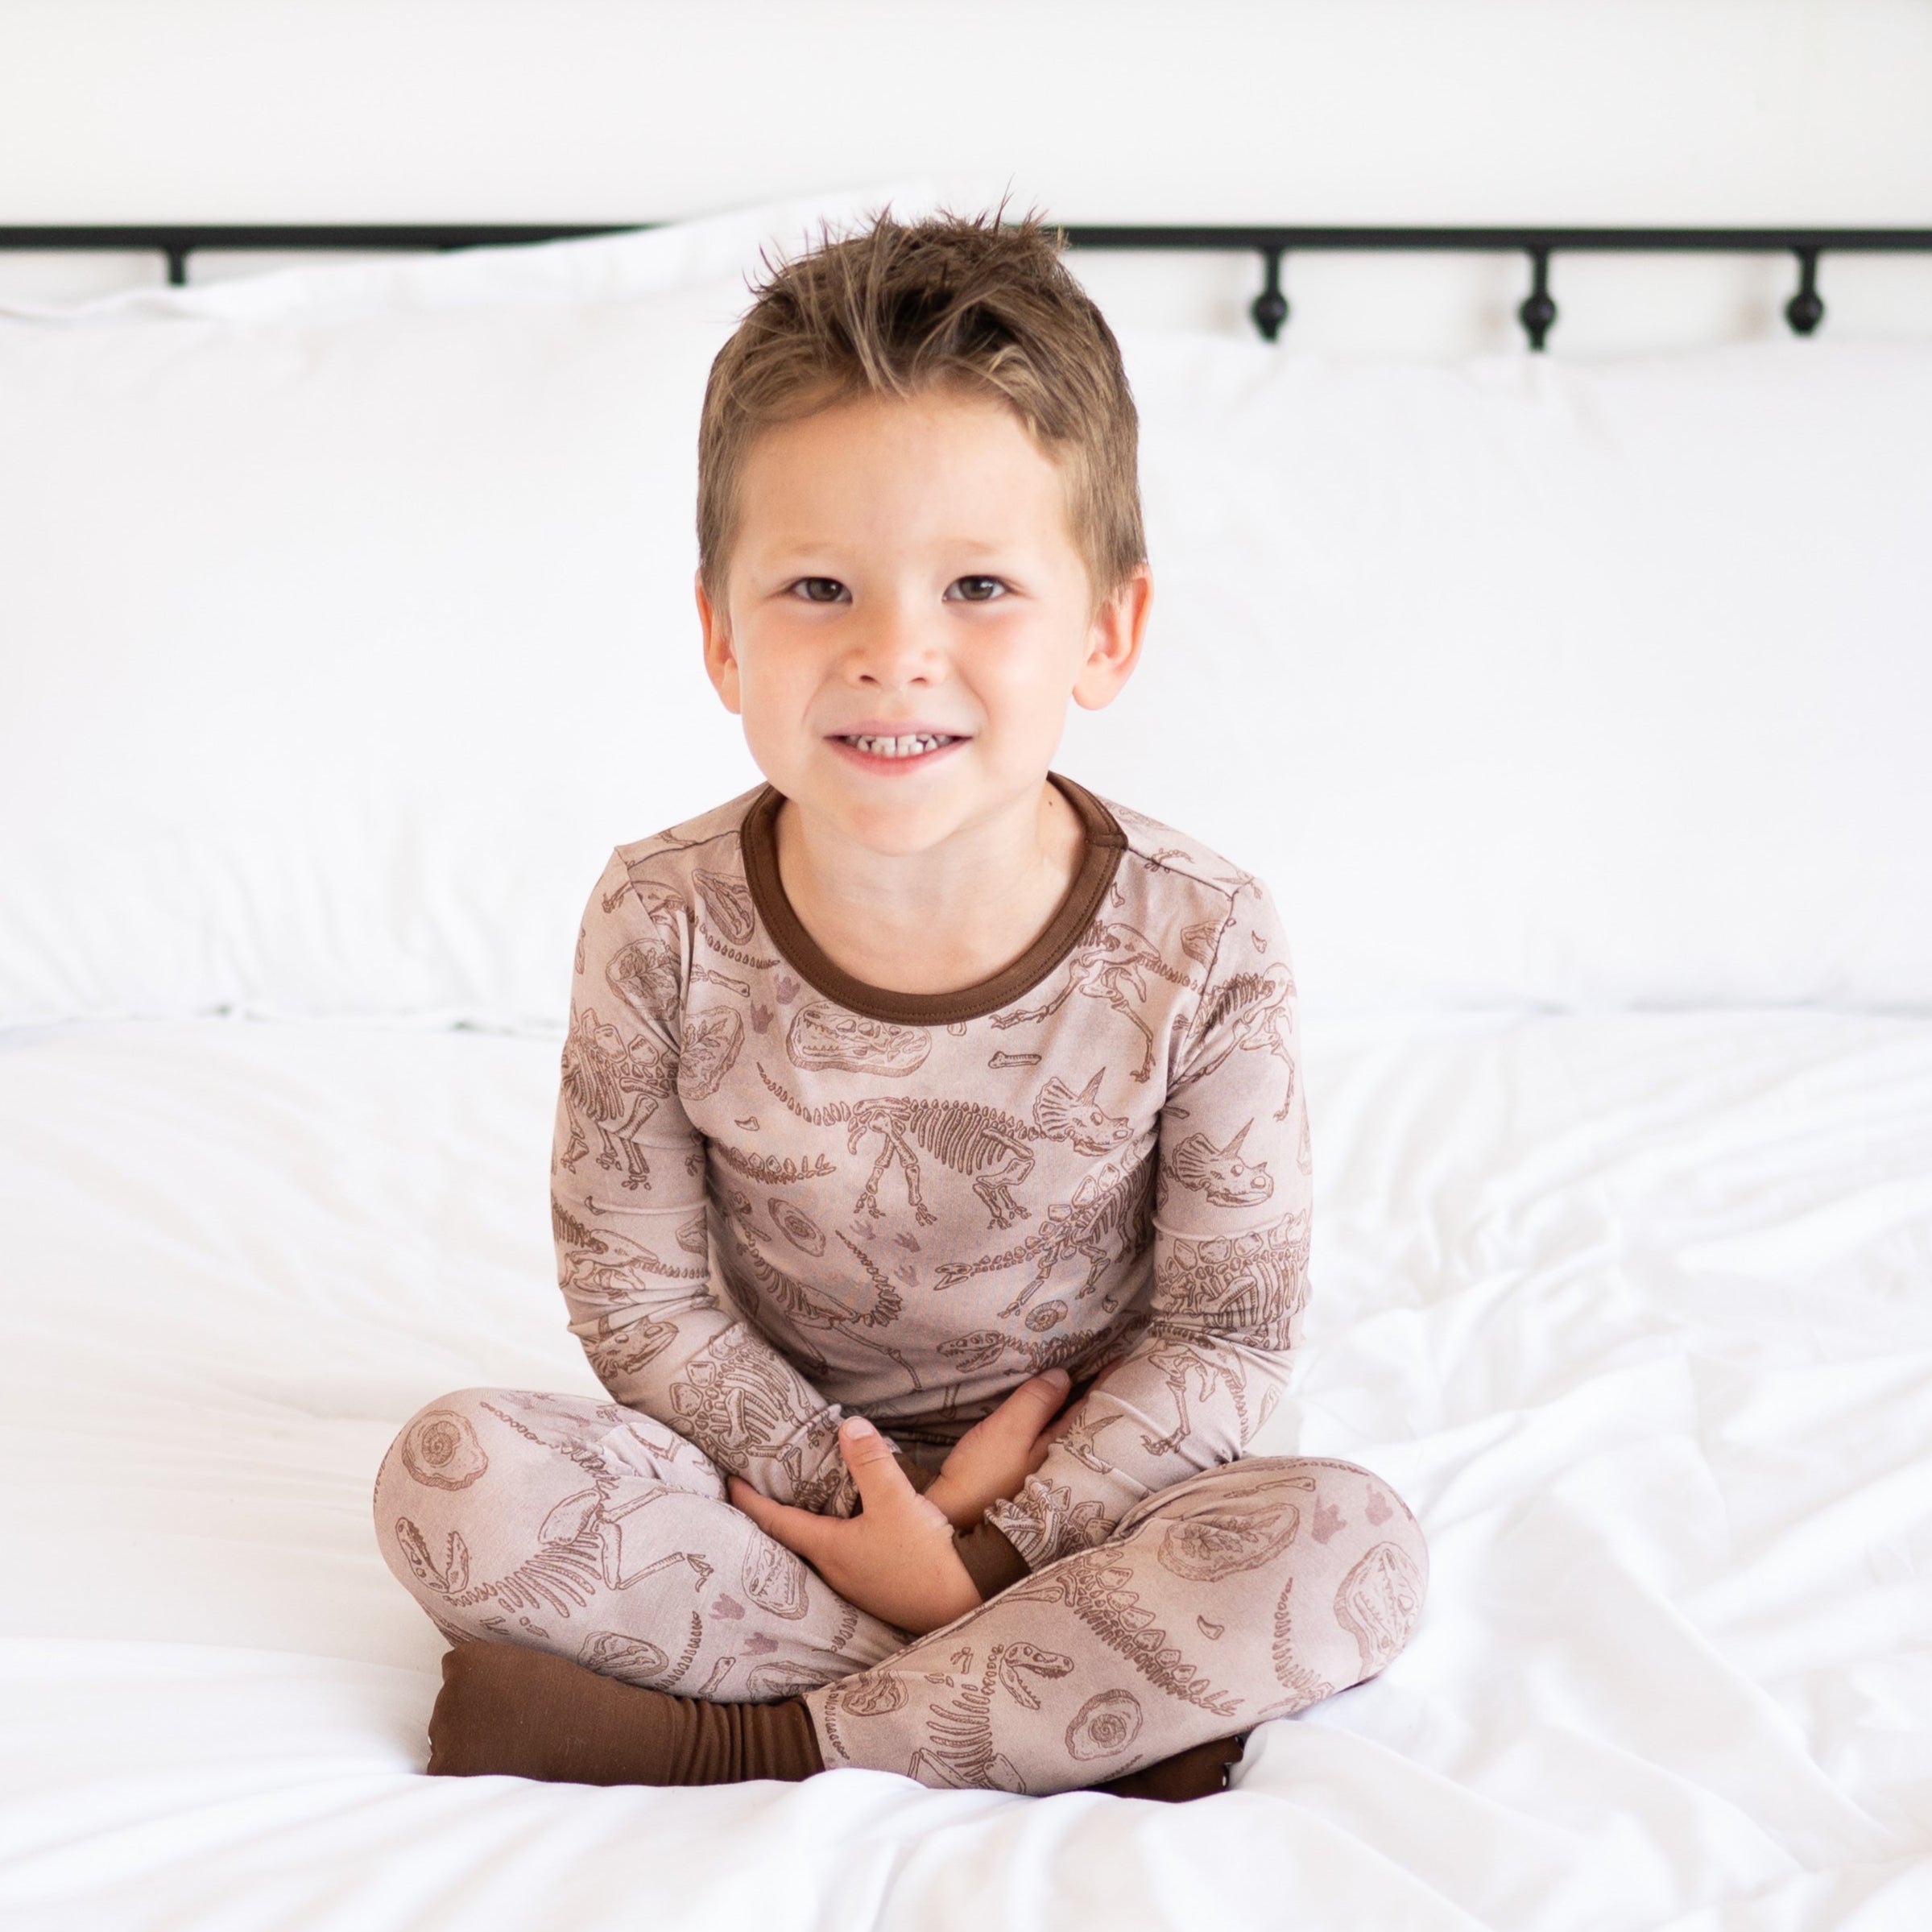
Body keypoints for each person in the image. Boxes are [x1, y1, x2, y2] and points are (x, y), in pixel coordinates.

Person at [373, 210, 1427, 1802]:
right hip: (769, 1489)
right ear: (723, 633)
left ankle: (757, 1737)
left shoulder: (1207, 939)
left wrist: (997, 1539)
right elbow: (640, 1298)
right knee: (450, 1481)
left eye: (980, 586)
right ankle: (1050, 1700)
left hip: (1087, 1495)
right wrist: (873, 1519)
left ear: (1109, 630)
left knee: (1354, 1553)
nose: (892, 654)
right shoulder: (661, 920)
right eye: (817, 587)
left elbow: (1226, 1331)